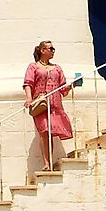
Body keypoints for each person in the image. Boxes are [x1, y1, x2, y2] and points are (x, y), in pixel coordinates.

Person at [24, 40, 75, 168]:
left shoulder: (57, 68)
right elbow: (28, 83)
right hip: (40, 103)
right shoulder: (33, 66)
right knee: (44, 131)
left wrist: (71, 85)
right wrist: (29, 98)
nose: (53, 51)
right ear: (42, 50)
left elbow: (63, 89)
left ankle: (49, 161)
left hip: (54, 103)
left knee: (50, 132)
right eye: (50, 48)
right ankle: (46, 162)